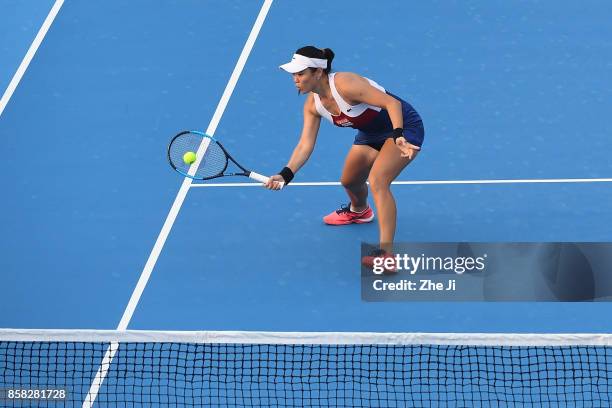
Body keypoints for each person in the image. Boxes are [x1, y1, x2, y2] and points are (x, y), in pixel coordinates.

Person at [264, 46, 424, 264]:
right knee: (349, 181)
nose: (295, 79)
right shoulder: (312, 104)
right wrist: (285, 174)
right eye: (294, 74)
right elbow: (305, 144)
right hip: (371, 133)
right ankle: (359, 211)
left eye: (300, 73)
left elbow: (392, 103)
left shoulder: (346, 84)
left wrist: (397, 135)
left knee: (378, 181)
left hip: (403, 127)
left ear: (318, 72)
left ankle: (386, 254)